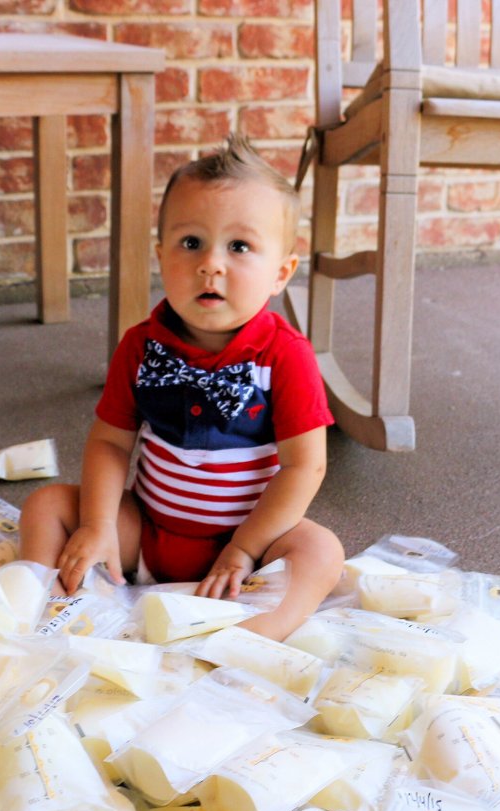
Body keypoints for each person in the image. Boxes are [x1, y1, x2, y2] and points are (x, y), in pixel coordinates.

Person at [19, 134, 345, 641]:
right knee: (47, 506)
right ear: (161, 255)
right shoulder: (142, 346)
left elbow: (306, 465)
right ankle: (48, 609)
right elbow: (110, 442)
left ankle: (245, 637)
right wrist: (99, 524)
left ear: (281, 273)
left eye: (239, 247)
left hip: (244, 550)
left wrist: (245, 547)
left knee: (321, 551)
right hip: (147, 533)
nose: (210, 263)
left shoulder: (285, 355)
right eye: (191, 242)